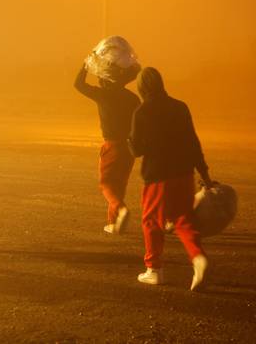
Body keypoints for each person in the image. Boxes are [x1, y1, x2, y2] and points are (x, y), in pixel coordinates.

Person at [129, 67, 214, 291]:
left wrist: (130, 139)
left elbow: (136, 150)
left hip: (158, 177)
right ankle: (198, 258)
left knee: (151, 222)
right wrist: (204, 174)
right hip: (184, 173)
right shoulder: (180, 107)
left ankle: (154, 270)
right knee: (183, 219)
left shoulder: (142, 112)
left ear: (141, 87)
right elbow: (193, 143)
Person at [74, 60, 141, 235]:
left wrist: (86, 65)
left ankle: (121, 209)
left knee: (106, 184)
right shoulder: (133, 98)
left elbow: (79, 84)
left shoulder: (103, 94)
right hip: (130, 147)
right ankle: (113, 222)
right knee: (119, 184)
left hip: (112, 145)